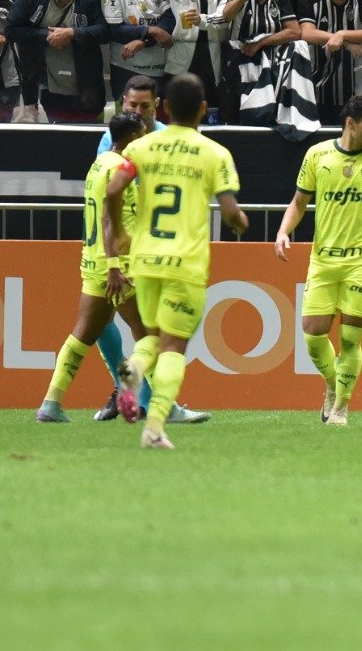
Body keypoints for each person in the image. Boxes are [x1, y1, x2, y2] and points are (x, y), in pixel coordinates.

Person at [109, 74, 248, 448]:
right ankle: (154, 428)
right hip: (185, 262)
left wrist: (120, 234)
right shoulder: (215, 153)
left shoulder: (141, 147)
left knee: (153, 337)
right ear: (203, 108)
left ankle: (133, 368)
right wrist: (239, 222)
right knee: (174, 346)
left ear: (165, 107)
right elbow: (230, 211)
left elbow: (114, 188)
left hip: (145, 259)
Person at [276, 94, 362, 426]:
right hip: (323, 259)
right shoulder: (317, 155)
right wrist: (284, 231)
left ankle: (341, 408)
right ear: (350, 124)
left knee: (350, 338)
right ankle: (332, 386)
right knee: (313, 336)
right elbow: (299, 202)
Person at [36, 111, 150, 422]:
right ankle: (142, 399)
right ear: (132, 138)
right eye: (142, 135)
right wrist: (115, 267)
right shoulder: (118, 170)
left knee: (82, 336)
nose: (144, 140)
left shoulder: (99, 164)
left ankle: (51, 404)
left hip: (93, 261)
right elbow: (108, 218)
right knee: (149, 337)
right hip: (118, 266)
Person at [6, 0, 116, 123]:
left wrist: (72, 33)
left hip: (87, 83)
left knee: (89, 130)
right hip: (50, 83)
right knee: (59, 130)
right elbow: (11, 30)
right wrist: (46, 35)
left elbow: (105, 32)